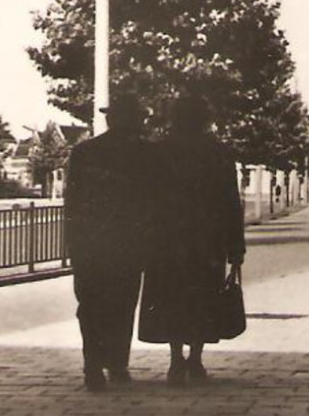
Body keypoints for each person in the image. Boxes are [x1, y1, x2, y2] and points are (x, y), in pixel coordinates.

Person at [139, 93, 246, 386]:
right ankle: (195, 359)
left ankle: (175, 360)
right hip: (207, 239)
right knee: (202, 297)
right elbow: (230, 202)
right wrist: (236, 246)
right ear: (205, 119)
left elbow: (147, 199)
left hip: (167, 239)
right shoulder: (219, 153)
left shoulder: (159, 151)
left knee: (171, 296)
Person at [64, 92, 159, 392]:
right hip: (128, 245)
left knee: (90, 305)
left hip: (90, 243)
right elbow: (153, 204)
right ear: (137, 120)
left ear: (110, 118)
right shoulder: (147, 155)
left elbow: (73, 202)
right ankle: (117, 363)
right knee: (122, 304)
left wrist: (73, 244)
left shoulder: (84, 153)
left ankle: (92, 364)